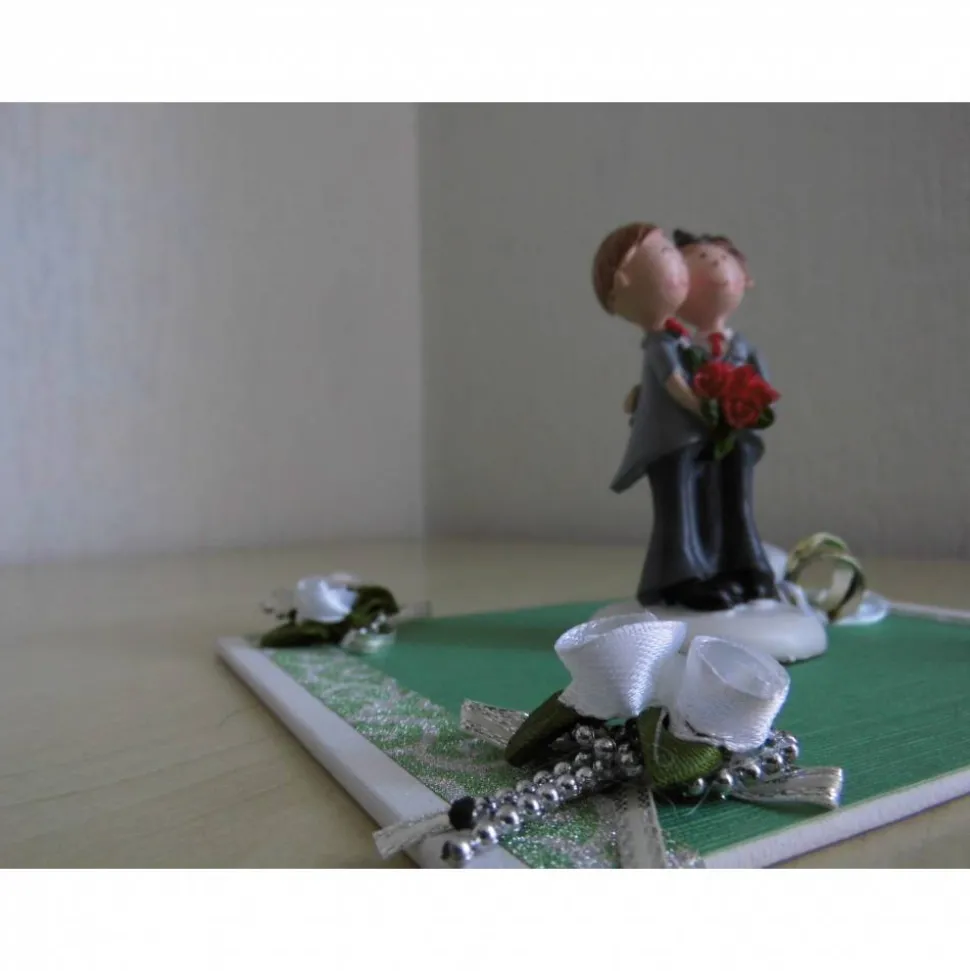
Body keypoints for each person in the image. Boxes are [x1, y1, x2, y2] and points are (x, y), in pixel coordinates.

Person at [592, 223, 737, 611]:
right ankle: (681, 580)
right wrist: (709, 410)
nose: (677, 260)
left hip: (682, 440)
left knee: (688, 506)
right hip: (668, 443)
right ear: (623, 281)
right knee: (678, 512)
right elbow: (676, 386)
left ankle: (683, 576)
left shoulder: (675, 337)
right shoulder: (660, 342)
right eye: (663, 253)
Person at [672, 229, 777, 602]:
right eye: (701, 260)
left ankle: (748, 566)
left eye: (721, 259)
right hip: (696, 444)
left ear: (745, 278)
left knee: (738, 503)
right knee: (700, 505)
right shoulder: (678, 351)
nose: (715, 265)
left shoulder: (745, 349)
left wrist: (746, 414)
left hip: (738, 441)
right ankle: (708, 569)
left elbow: (764, 393)